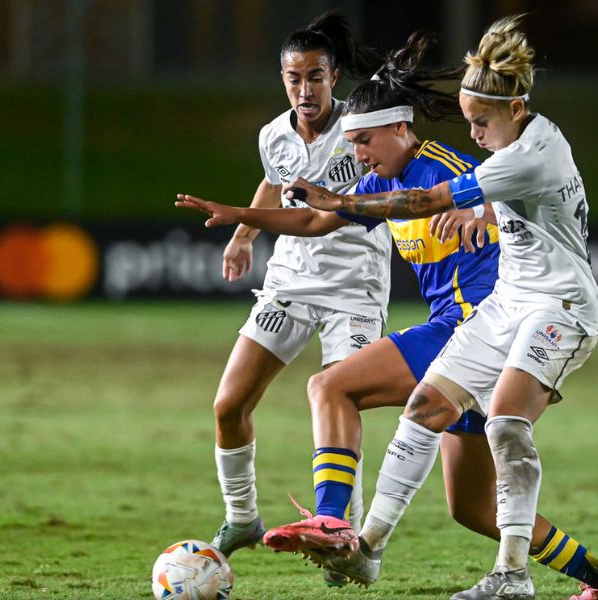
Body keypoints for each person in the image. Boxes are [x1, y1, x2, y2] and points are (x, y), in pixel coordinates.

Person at [179, 30, 598, 597]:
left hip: (484, 322)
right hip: (489, 326)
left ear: (400, 129)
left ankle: (340, 528)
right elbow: (318, 222)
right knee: (472, 508)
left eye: (366, 142)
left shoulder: (445, 167)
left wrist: (481, 212)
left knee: (331, 387)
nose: (359, 157)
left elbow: (477, 189)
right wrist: (242, 215)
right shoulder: (383, 176)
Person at [199, 13, 393, 587]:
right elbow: (273, 179)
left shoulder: (362, 128)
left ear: (334, 77)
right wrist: (243, 235)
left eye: (315, 77)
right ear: (282, 79)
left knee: (341, 405)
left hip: (353, 289)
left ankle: (342, 541)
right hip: (289, 283)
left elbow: (315, 216)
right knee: (228, 406)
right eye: (293, 79)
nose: (304, 90)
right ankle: (241, 519)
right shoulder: (273, 134)